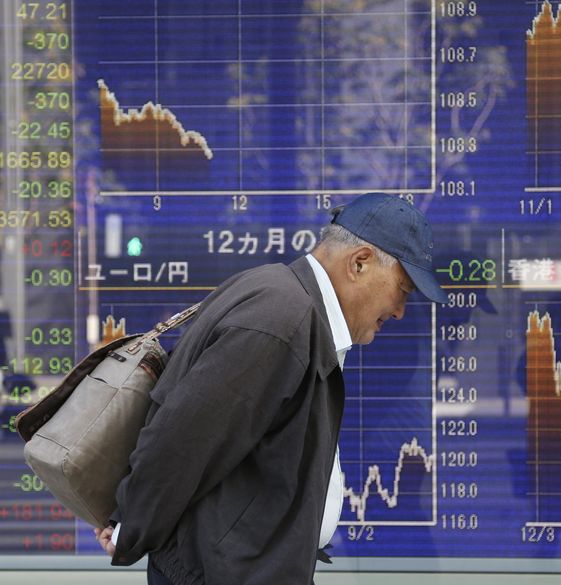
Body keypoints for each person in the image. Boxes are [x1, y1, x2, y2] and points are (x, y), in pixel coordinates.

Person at [93, 193, 448, 584]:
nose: (399, 311)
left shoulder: (285, 301)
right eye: (402, 289)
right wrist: (132, 525)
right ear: (359, 262)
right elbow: (182, 437)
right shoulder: (281, 321)